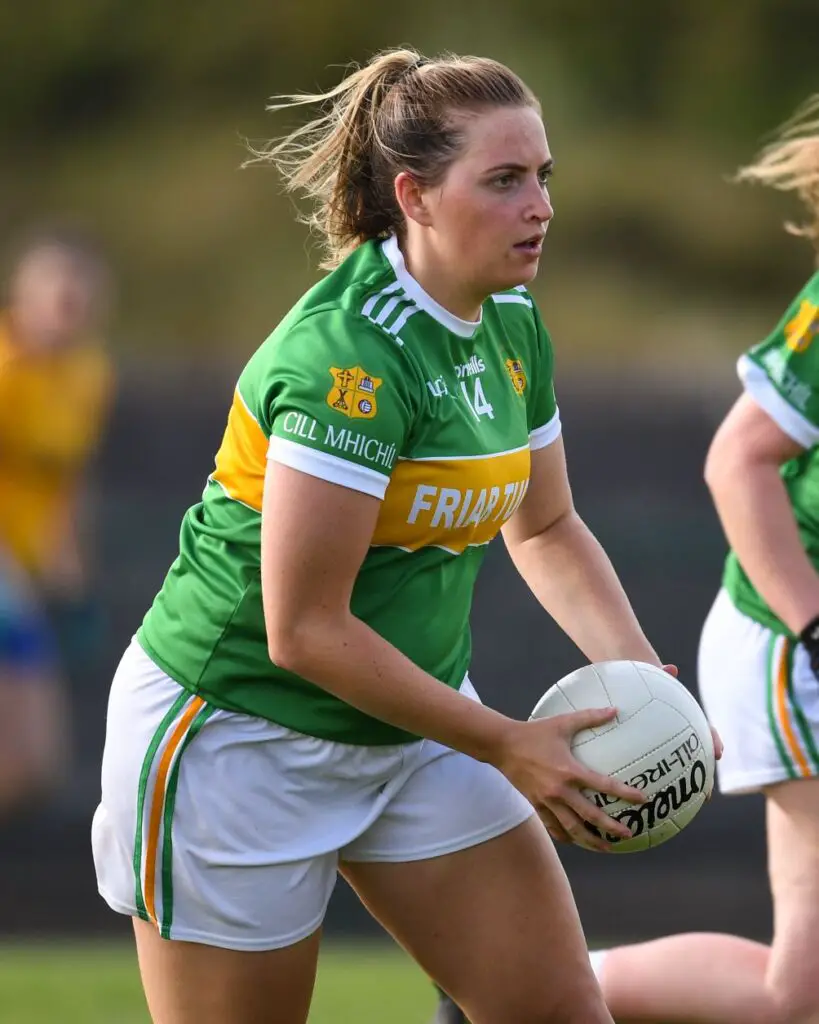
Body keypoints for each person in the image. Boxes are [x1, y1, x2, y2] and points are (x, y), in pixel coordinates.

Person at [91, 48, 675, 1024]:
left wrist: (648, 689)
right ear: (414, 195)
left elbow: (547, 525)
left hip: (418, 727)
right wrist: (506, 744)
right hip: (237, 738)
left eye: (544, 176)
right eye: (503, 180)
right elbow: (305, 630)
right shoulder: (347, 358)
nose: (540, 207)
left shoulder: (512, 323)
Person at [591, 95, 819, 1023]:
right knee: (800, 998)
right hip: (789, 643)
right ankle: (524, 986)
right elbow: (736, 462)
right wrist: (813, 627)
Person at [0, 226, 114, 816]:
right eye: (55, 291)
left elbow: (67, 484)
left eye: (79, 293)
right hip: (7, 580)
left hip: (22, 583)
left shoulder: (89, 375)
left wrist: (72, 578)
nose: (68, 304)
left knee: (34, 767)